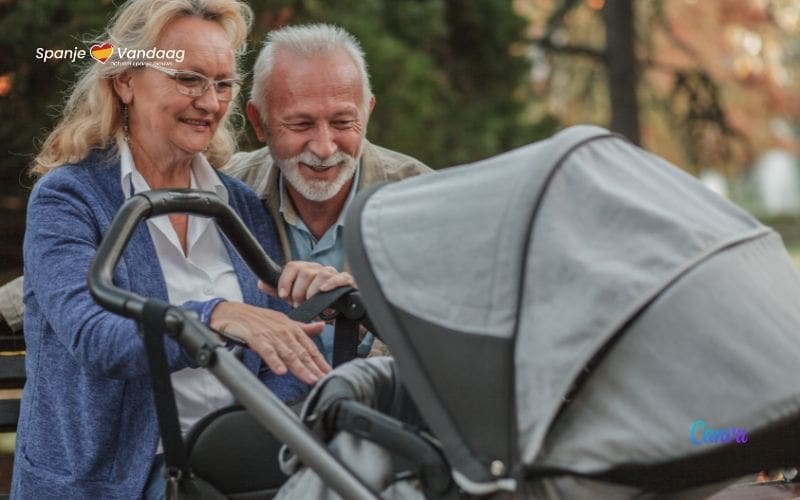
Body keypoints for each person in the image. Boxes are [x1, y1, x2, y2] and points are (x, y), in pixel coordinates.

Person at [11, 1, 354, 497]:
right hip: (116, 479)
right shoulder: (70, 197)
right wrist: (212, 314)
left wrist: (245, 436)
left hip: (229, 468)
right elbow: (96, 336)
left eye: (222, 84)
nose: (211, 102)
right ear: (125, 79)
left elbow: (281, 351)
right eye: (188, 79)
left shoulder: (233, 202)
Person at [224, 23, 433, 360]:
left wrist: (364, 320)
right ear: (259, 122)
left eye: (342, 122)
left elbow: (449, 350)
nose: (324, 148)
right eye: (301, 124)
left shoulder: (427, 203)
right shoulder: (226, 191)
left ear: (367, 113)